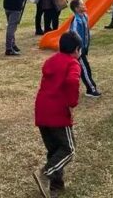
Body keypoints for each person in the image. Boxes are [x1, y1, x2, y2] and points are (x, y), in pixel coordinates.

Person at [33, 31, 82, 198]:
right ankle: (47, 173)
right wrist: (72, 102)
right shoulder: (73, 63)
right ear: (77, 49)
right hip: (58, 114)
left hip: (42, 111)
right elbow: (73, 81)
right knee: (69, 150)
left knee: (54, 150)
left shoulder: (51, 61)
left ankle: (56, 185)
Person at [69, 0, 100, 97]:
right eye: (82, 4)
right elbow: (74, 34)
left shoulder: (84, 16)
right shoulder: (76, 20)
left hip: (83, 48)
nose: (84, 5)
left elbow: (86, 33)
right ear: (77, 9)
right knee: (85, 69)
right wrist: (77, 49)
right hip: (78, 50)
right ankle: (91, 89)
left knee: (83, 68)